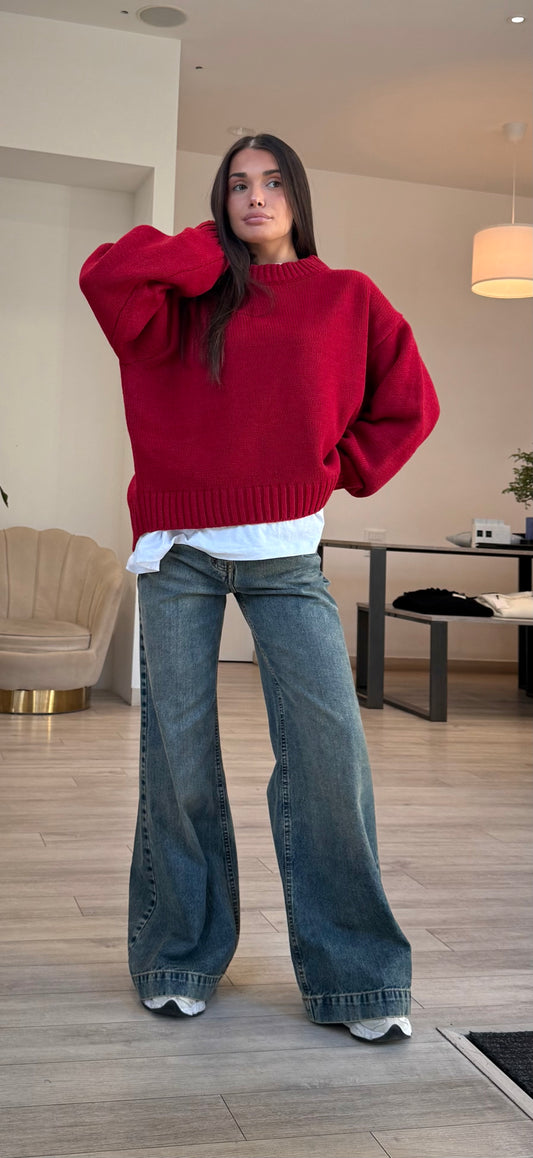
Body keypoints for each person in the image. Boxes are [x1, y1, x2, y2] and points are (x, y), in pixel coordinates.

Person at [79, 132, 439, 1042]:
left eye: (273, 181)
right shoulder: (184, 292)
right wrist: (206, 249)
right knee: (178, 758)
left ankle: (356, 980)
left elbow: (409, 402)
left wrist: (332, 470)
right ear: (218, 202)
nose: (255, 196)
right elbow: (106, 278)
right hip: (178, 551)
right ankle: (178, 956)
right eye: (237, 184)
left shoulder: (347, 296)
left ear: (299, 196)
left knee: (328, 756)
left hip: (286, 555)